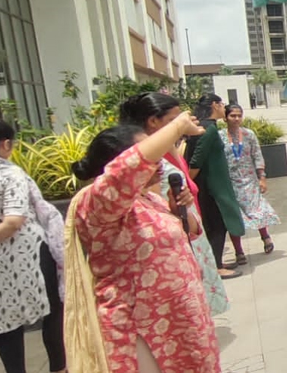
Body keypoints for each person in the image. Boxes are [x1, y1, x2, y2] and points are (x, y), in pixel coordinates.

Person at [71, 115, 220, 372]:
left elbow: (190, 232)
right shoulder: (98, 204)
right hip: (143, 330)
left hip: (181, 323)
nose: (159, 163)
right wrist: (176, 128)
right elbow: (124, 171)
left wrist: (179, 211)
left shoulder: (149, 200)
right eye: (153, 156)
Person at [119, 92, 229, 316]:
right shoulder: (144, 164)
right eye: (174, 121)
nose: (183, 125)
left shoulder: (167, 152)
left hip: (186, 231)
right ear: (153, 122)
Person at [0, 119, 66, 373]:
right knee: (52, 313)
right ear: (5, 145)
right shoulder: (10, 173)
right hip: (28, 255)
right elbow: (13, 221)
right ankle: (59, 368)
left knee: (5, 324)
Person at [187, 94, 245, 279]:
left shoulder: (203, 126)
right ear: (214, 105)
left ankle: (216, 261)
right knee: (216, 225)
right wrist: (189, 184)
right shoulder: (209, 129)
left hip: (210, 184)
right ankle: (216, 266)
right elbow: (196, 161)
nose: (223, 108)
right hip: (210, 186)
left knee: (217, 224)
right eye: (221, 104)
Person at [220, 104, 279, 263]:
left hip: (249, 180)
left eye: (239, 115)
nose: (236, 119)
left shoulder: (248, 134)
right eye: (233, 115)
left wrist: (262, 177)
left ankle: (265, 237)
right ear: (225, 117)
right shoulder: (220, 136)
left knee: (257, 210)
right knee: (234, 215)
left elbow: (257, 156)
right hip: (230, 182)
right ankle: (238, 251)